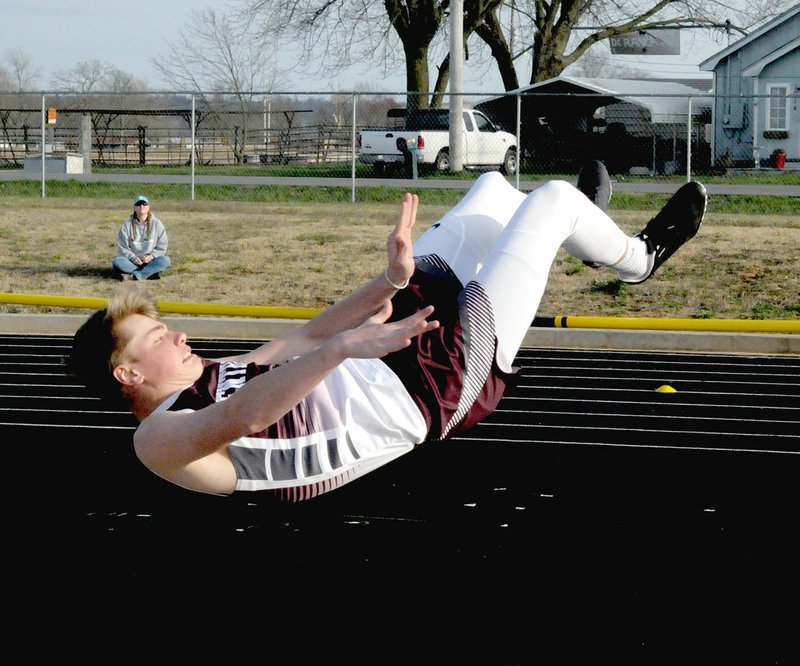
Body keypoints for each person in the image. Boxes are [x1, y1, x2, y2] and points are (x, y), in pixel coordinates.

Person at [70, 163, 707, 502]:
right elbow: (242, 416)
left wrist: (387, 281)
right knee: (555, 202)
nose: (175, 336)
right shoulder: (157, 439)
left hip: (390, 342)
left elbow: (309, 335)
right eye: (155, 338)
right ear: (127, 373)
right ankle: (635, 257)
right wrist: (346, 347)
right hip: (435, 388)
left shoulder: (213, 372)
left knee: (492, 192)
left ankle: (584, 231)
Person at [112, 194, 171, 281]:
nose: (141, 206)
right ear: (134, 208)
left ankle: (135, 276)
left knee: (165, 260)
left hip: (151, 261)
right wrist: (133, 258)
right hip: (133, 262)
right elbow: (123, 248)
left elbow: (162, 247)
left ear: (148, 207)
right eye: (138, 204)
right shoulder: (126, 225)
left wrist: (151, 257)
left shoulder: (157, 224)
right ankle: (150, 273)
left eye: (144, 204)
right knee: (117, 261)